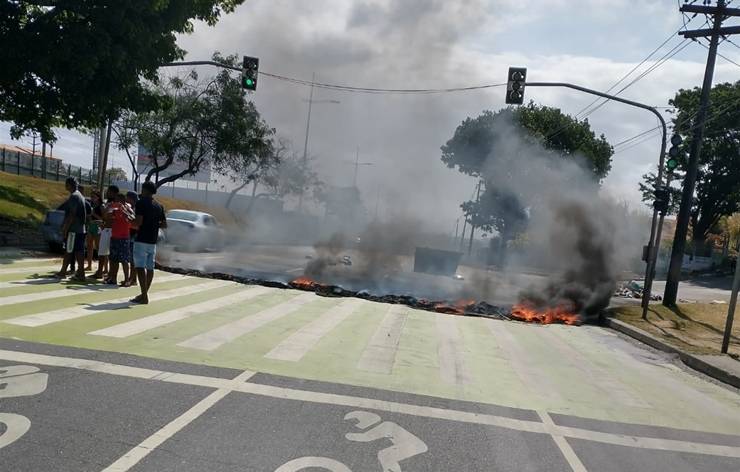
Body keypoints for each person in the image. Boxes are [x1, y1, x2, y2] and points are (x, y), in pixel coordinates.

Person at [131, 181, 166, 304]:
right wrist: (154, 224)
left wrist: (129, 221)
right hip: (153, 240)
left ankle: (144, 295)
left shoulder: (141, 203)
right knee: (150, 268)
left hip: (141, 239)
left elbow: (138, 222)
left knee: (140, 267)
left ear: (145, 190)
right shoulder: (159, 206)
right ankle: (144, 293)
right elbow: (164, 224)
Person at [56, 177, 87, 281]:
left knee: (69, 250)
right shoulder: (80, 196)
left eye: (66, 184)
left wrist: (65, 228)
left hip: (74, 229)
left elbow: (72, 214)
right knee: (79, 251)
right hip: (80, 229)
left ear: (69, 185)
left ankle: (63, 272)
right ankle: (80, 273)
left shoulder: (74, 196)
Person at [107, 193, 135, 286]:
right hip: (115, 236)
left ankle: (127, 279)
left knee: (124, 260)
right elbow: (108, 215)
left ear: (122, 200)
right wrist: (111, 208)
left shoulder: (127, 207)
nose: (115, 202)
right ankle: (113, 278)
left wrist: (125, 210)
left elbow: (132, 216)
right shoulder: (114, 208)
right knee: (113, 259)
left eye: (117, 200)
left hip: (124, 237)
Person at [93, 185, 117, 279]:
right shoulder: (108, 203)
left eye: (109, 192)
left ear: (114, 193)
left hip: (111, 230)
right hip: (105, 229)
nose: (107, 193)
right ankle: (100, 272)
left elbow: (108, 216)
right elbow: (105, 217)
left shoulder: (116, 204)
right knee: (102, 252)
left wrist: (105, 211)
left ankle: (110, 274)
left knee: (111, 254)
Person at [85, 190, 103, 271]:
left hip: (98, 226)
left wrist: (94, 214)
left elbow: (103, 219)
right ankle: (89, 265)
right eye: (91, 197)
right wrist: (89, 217)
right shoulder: (91, 205)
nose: (92, 198)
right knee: (89, 246)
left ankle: (101, 267)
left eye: (94, 197)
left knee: (99, 248)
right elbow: (89, 216)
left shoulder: (101, 206)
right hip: (91, 226)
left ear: (98, 197)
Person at [125, 191, 139, 287]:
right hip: (132, 234)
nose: (126, 200)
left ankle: (133, 279)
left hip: (135, 235)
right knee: (132, 259)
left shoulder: (137, 208)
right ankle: (132, 278)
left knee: (133, 259)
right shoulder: (133, 208)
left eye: (127, 198)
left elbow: (136, 223)